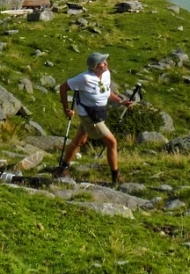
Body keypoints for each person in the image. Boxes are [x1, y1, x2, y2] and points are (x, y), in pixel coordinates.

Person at [55, 51, 134, 184]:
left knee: (79, 141)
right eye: (102, 62)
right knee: (112, 142)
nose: (106, 63)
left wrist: (121, 101)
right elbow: (63, 87)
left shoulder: (106, 74)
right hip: (89, 115)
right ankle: (116, 176)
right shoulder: (84, 78)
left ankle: (63, 168)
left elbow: (107, 91)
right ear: (94, 67)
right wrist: (66, 109)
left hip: (98, 112)